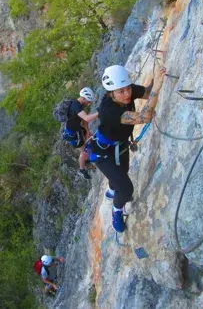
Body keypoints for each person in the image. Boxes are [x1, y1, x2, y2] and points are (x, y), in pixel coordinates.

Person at [91, 65, 166, 232]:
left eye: (127, 89)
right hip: (103, 153)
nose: (127, 94)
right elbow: (145, 117)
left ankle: (111, 191)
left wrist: (157, 79)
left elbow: (147, 93)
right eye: (121, 91)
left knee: (122, 172)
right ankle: (116, 210)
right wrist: (157, 87)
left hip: (121, 144)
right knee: (126, 189)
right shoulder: (108, 111)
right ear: (111, 93)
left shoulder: (127, 90)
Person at [63, 87, 99, 180]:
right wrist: (100, 113)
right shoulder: (76, 106)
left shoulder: (80, 105)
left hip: (77, 129)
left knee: (89, 140)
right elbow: (87, 118)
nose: (89, 103)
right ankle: (82, 170)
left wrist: (87, 131)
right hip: (73, 134)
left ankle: (87, 160)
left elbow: (84, 121)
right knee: (83, 152)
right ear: (83, 98)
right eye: (89, 101)